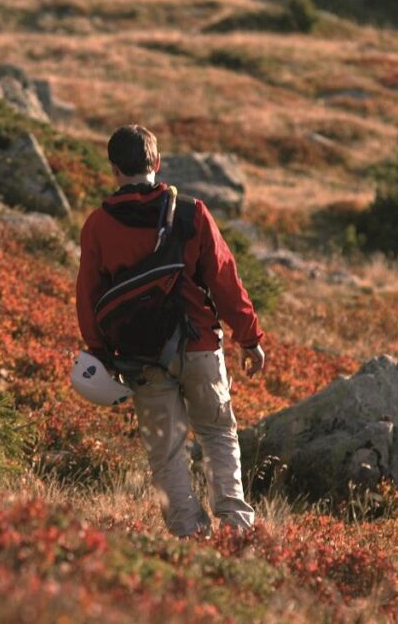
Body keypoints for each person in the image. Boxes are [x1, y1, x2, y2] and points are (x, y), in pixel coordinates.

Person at [75, 124, 266, 537]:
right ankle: (236, 529)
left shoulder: (98, 225)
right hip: (199, 345)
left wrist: (101, 353)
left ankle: (191, 538)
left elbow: (88, 297)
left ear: (113, 169)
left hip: (141, 358)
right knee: (217, 433)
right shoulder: (191, 213)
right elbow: (225, 280)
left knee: (167, 454)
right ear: (156, 163)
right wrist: (249, 337)